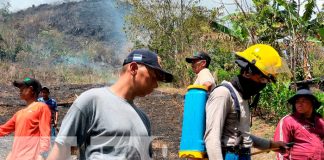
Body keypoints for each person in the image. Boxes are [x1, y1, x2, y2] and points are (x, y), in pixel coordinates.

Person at [47, 49, 174, 160]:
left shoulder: (143, 119)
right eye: (153, 76)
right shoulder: (92, 101)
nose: (156, 84)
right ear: (134, 68)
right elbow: (65, 149)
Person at [204, 44, 288, 160]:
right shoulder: (223, 94)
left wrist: (271, 145)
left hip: (242, 154)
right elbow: (212, 139)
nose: (263, 84)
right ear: (248, 72)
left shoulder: (242, 96)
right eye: (262, 79)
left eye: (266, 81)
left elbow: (242, 136)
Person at [0, 77, 51, 160]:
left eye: (22, 87)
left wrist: (42, 154)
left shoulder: (42, 107)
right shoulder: (19, 113)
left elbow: (45, 132)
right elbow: (3, 129)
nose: (20, 90)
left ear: (31, 89)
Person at [273, 87, 324, 160]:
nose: (299, 104)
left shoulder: (320, 121)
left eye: (303, 101)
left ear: (312, 103)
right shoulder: (288, 121)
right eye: (297, 101)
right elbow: (281, 149)